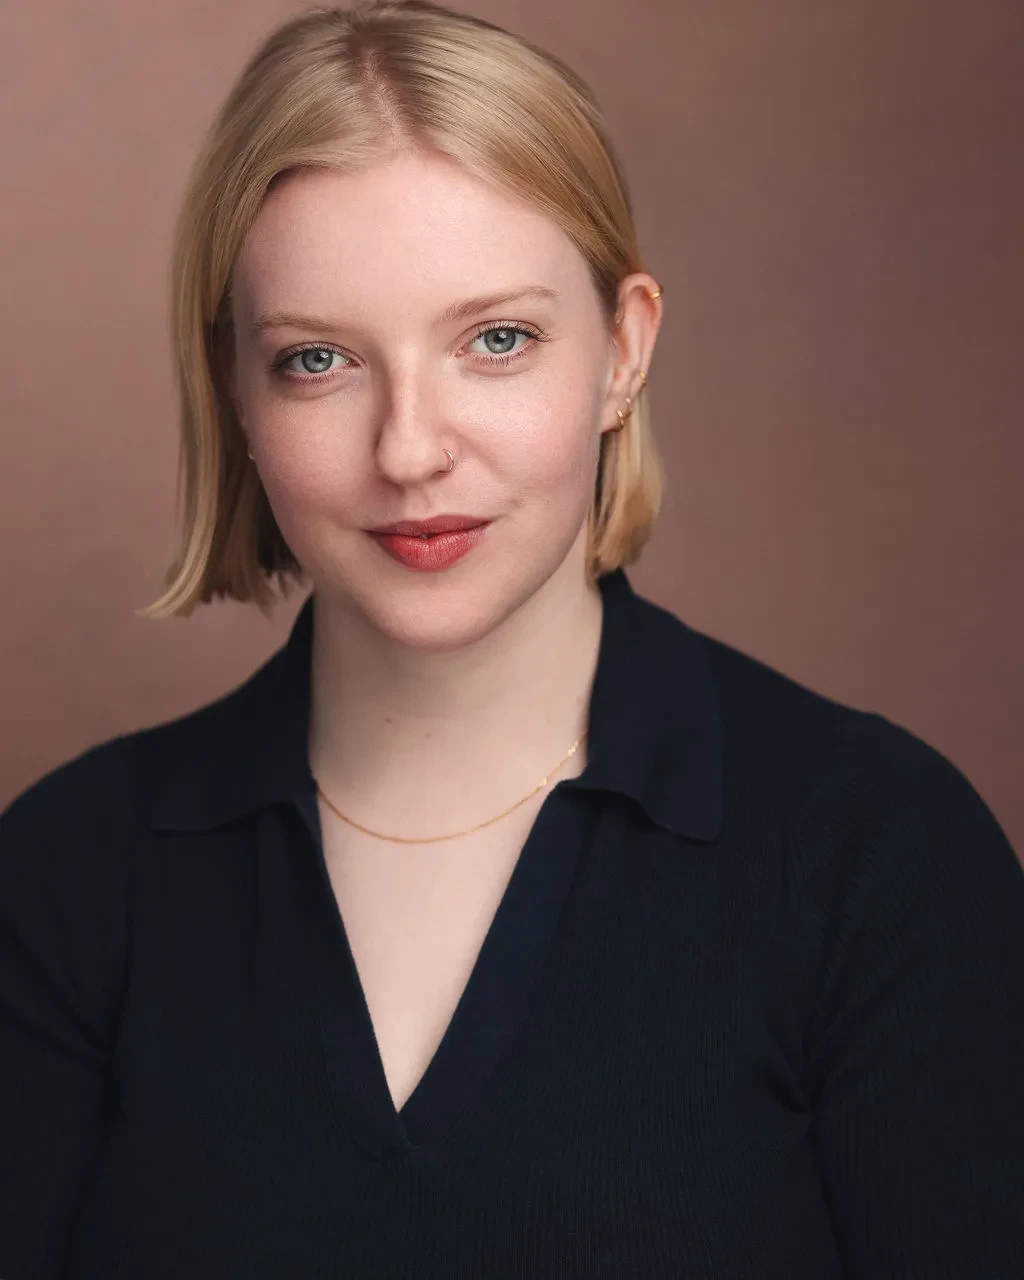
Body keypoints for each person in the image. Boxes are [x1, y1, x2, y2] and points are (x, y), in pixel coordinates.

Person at [2, 1, 1023, 1275]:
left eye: (497, 339)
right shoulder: (61, 880)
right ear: (236, 396)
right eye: (319, 359)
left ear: (621, 351)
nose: (411, 447)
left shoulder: (878, 855)